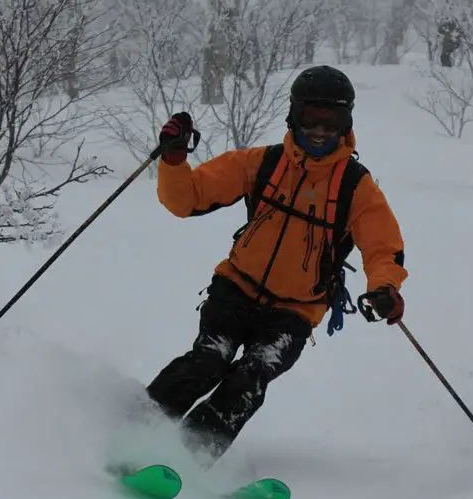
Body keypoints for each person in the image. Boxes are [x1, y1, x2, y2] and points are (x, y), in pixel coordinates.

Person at [143, 65, 408, 466]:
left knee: (251, 376)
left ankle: (187, 457)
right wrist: (174, 159)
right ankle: (136, 428)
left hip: (293, 312)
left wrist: (385, 288)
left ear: (346, 124)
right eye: (310, 118)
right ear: (294, 116)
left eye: (331, 121)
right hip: (236, 287)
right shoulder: (261, 164)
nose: (320, 130)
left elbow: (383, 248)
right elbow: (187, 199)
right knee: (209, 359)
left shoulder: (356, 187)